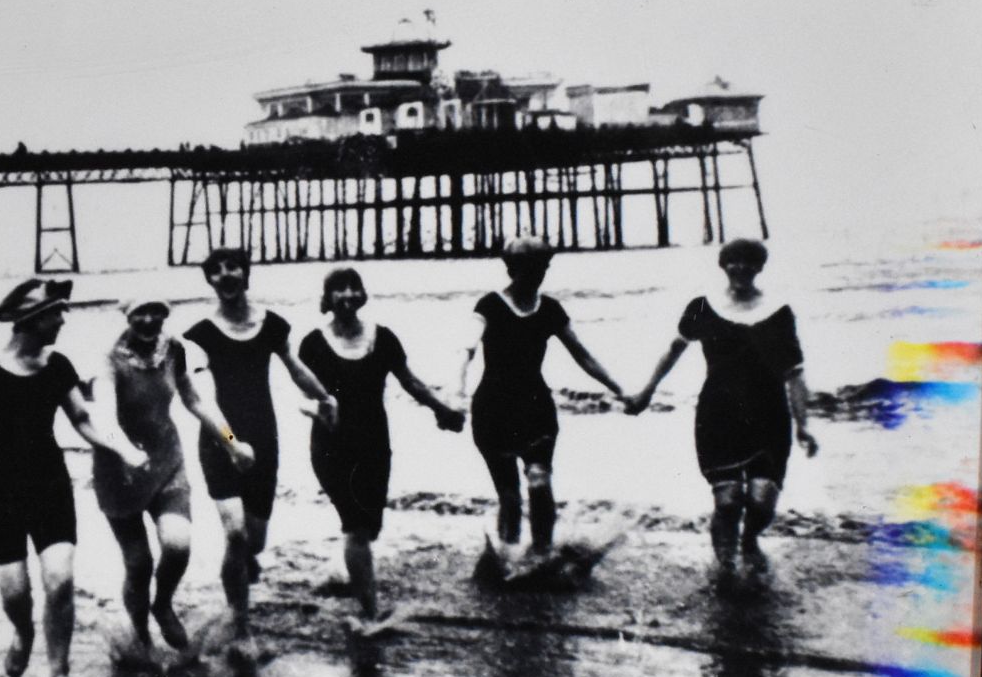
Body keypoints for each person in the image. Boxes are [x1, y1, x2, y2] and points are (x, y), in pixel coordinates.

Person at [0, 278, 147, 677]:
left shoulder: (58, 366)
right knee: (17, 594)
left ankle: (59, 675)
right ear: (32, 320)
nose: (62, 320)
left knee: (60, 580)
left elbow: (83, 420)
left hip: (49, 485)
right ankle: (22, 634)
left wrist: (122, 450)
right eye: (56, 313)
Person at [625, 237, 818, 581]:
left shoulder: (778, 312)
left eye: (749, 262)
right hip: (719, 414)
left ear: (760, 267)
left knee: (761, 503)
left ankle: (749, 540)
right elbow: (673, 349)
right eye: (733, 261)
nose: (740, 268)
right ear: (723, 266)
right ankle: (726, 570)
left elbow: (795, 374)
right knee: (728, 502)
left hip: (769, 416)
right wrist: (647, 391)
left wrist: (804, 425)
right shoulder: (703, 306)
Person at [184, 246, 337, 642]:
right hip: (220, 442)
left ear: (245, 273)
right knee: (234, 533)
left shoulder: (271, 325)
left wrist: (324, 398)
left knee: (254, 541)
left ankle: (242, 569)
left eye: (232, 266)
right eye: (215, 270)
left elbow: (296, 369)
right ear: (210, 281)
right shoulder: (199, 335)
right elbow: (203, 399)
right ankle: (240, 627)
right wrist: (232, 443)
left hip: (265, 439)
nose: (225, 275)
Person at [298, 267, 464, 626]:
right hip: (331, 445)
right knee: (356, 525)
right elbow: (304, 397)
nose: (345, 295)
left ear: (362, 294)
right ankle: (371, 614)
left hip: (374, 443)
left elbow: (410, 382)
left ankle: (347, 571)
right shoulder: (312, 344)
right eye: (337, 289)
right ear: (327, 299)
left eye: (352, 287)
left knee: (370, 527)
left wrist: (442, 410)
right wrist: (321, 409)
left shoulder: (384, 338)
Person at [458, 233, 628, 558]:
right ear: (513, 267)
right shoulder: (489, 305)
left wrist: (620, 391)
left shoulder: (549, 309)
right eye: (530, 267)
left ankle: (542, 555)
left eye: (543, 266)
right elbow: (466, 348)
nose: (538, 273)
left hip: (536, 408)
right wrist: (456, 391)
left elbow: (583, 356)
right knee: (509, 496)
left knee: (539, 482)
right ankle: (507, 558)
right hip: (492, 410)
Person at [91, 296, 239, 666]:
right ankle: (141, 640)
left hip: (167, 460)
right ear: (128, 317)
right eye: (140, 312)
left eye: (157, 311)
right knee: (138, 564)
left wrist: (233, 443)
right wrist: (126, 452)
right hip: (120, 469)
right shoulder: (109, 360)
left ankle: (163, 604)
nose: (150, 319)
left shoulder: (174, 350)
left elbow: (196, 400)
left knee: (177, 544)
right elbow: (104, 417)